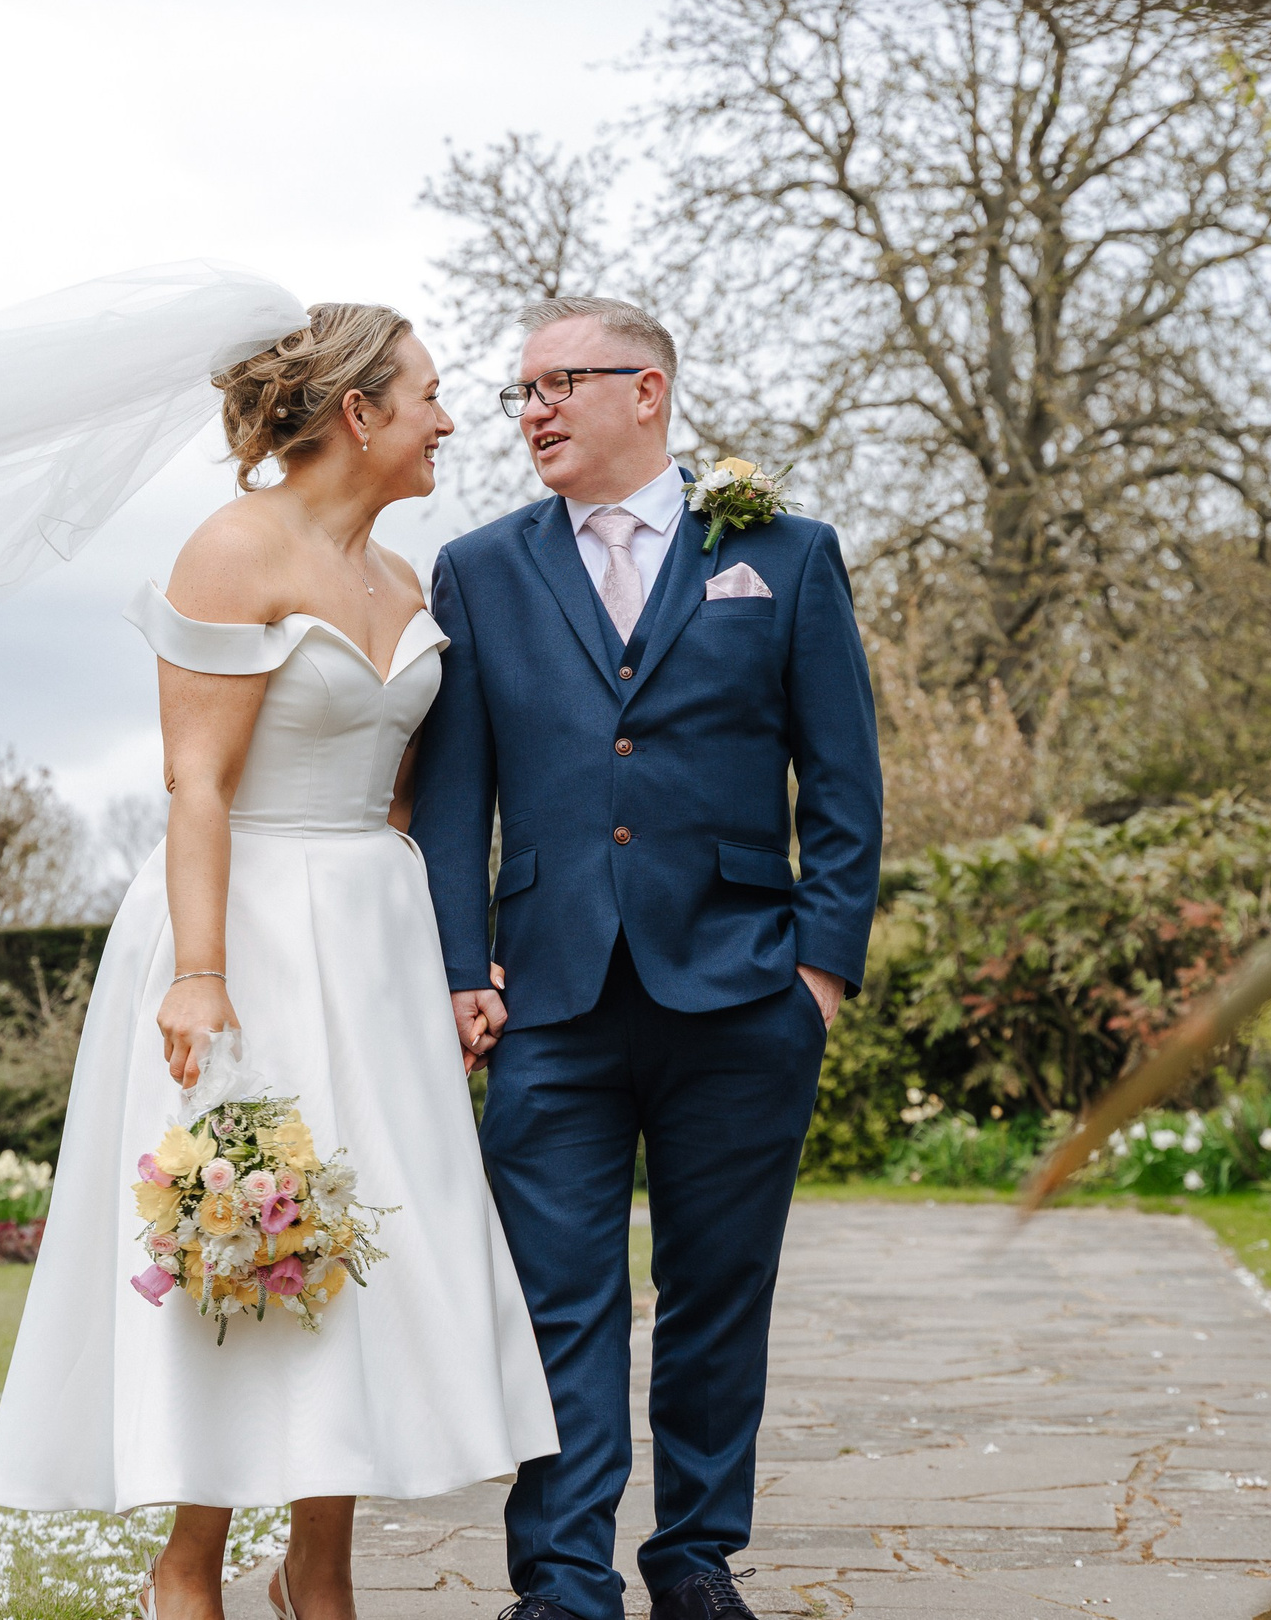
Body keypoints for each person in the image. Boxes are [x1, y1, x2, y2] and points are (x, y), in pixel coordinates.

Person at [0, 303, 558, 1620]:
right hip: (241, 926)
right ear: (360, 413)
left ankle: (324, 1570)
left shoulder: (410, 583)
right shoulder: (233, 550)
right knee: (246, 1235)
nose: (450, 422)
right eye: (429, 396)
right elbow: (196, 785)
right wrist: (198, 974)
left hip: (376, 933)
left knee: (357, 1244)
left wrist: (458, 958)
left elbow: (418, 798)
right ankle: (188, 1562)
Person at [409, 298, 885, 1620]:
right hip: (549, 1000)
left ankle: (693, 1562)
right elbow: (456, 798)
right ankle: (563, 1581)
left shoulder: (785, 557)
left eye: (563, 382)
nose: (534, 410)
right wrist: (463, 961)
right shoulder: (482, 570)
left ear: (649, 392)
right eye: (522, 391)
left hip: (744, 991)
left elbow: (843, 781)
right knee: (559, 1303)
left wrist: (820, 973)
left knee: (719, 1295)